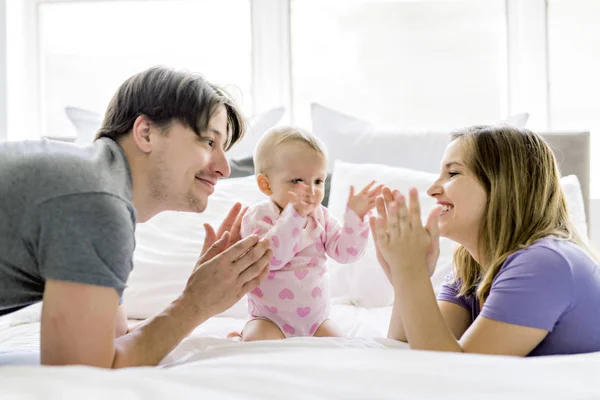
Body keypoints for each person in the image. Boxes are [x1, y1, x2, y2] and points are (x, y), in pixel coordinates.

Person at [0, 66, 272, 368]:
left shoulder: (94, 185)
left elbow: (116, 340)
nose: (224, 167)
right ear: (146, 133)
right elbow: (83, 369)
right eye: (209, 142)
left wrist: (199, 293)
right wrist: (196, 303)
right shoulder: (95, 201)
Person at [370, 125, 600, 356]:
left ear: (505, 186)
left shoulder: (545, 263)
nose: (432, 190)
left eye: (452, 174)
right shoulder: (470, 272)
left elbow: (456, 372)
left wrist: (411, 273)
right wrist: (404, 277)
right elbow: (410, 351)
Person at [235, 127, 382, 340]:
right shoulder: (258, 217)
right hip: (269, 320)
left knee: (342, 348)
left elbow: (346, 253)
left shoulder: (321, 216)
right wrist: (294, 217)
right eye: (297, 181)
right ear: (266, 185)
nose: (311, 191)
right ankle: (239, 336)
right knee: (257, 343)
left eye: (318, 181)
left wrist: (356, 220)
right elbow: (272, 258)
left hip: (316, 322)